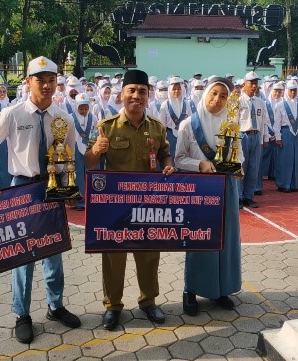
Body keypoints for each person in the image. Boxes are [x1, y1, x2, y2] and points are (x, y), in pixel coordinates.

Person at [0, 56, 81, 344]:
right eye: (40, 80)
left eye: (51, 80)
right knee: (23, 257)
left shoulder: (64, 118)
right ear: (28, 82)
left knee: (54, 253)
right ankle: (21, 314)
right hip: (21, 189)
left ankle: (55, 306)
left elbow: (68, 159)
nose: (46, 86)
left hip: (51, 191)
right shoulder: (13, 114)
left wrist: (68, 190)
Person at [84, 69, 176, 331]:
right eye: (132, 91)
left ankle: (148, 301)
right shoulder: (107, 127)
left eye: (142, 92)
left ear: (148, 97)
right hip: (115, 206)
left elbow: (165, 155)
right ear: (122, 94)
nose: (137, 96)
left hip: (147, 204)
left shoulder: (157, 128)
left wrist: (168, 166)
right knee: (114, 256)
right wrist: (95, 150)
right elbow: (89, 164)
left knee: (149, 254)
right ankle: (112, 306)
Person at [175, 76, 242, 316]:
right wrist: (200, 164)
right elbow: (179, 159)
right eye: (214, 94)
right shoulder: (188, 125)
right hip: (200, 190)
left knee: (226, 238)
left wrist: (239, 167)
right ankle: (190, 289)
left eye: (223, 96)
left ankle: (221, 289)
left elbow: (239, 155)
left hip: (227, 188)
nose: (217, 99)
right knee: (199, 239)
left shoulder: (232, 124)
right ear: (205, 95)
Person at [237, 71, 266, 207]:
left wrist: (262, 139)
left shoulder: (260, 102)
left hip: (255, 136)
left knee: (254, 168)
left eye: (256, 83)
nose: (254, 86)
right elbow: (233, 121)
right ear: (244, 84)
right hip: (242, 136)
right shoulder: (238, 101)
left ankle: (249, 195)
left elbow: (262, 122)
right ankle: (238, 197)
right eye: (251, 83)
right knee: (241, 167)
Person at [274, 79, 298, 192]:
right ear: (287, 90)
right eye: (291, 90)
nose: (293, 93)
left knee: (296, 160)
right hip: (286, 132)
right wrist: (278, 137)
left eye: (295, 90)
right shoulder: (280, 105)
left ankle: (294, 184)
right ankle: (283, 184)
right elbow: (277, 123)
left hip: (296, 133)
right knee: (285, 159)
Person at [70, 93, 95, 211]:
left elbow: (96, 130)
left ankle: (91, 199)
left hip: (90, 147)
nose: (84, 111)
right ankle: (80, 201)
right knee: (79, 174)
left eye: (86, 108)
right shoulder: (71, 118)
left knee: (90, 173)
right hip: (76, 147)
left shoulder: (93, 117)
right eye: (81, 108)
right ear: (76, 107)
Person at [160, 77, 192, 158]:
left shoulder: (187, 104)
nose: (176, 91)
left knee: (184, 157)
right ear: (170, 90)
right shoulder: (165, 104)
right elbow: (162, 125)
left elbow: (190, 121)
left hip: (184, 135)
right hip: (170, 136)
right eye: (174, 89)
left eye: (179, 89)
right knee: (171, 156)